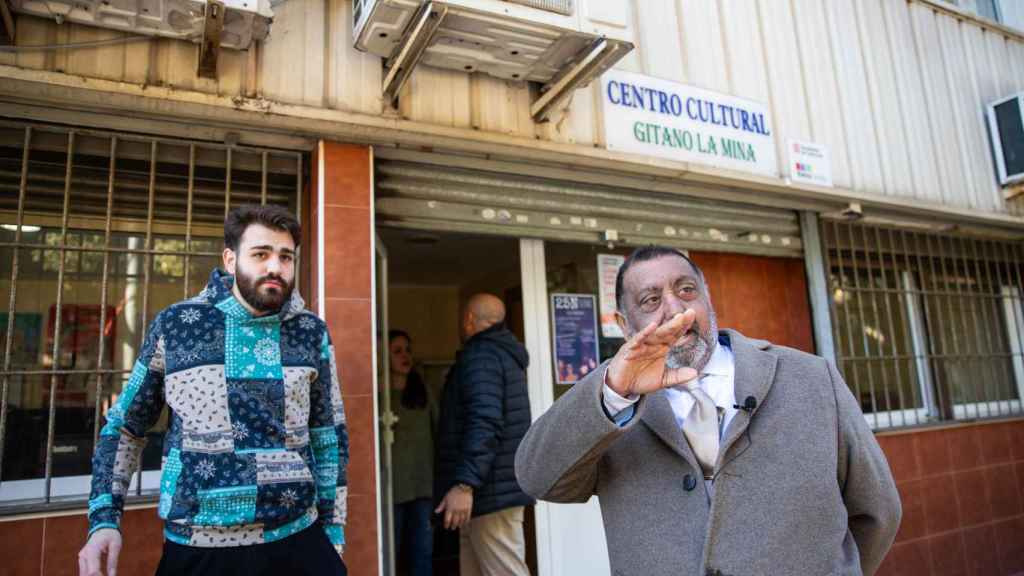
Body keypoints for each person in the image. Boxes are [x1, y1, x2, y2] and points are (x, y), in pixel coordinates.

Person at [515, 246, 901, 576]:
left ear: (708, 298)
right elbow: (538, 478)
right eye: (650, 300)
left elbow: (877, 510)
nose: (675, 309)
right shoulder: (610, 400)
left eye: (687, 290)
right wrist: (615, 392)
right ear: (623, 324)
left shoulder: (811, 377)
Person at [79, 205, 349, 576]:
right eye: (260, 254)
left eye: (286, 257)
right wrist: (104, 519)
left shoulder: (311, 332)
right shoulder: (176, 326)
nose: (275, 267)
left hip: (298, 540)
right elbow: (125, 428)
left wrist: (333, 529)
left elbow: (328, 436)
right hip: (199, 548)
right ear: (229, 258)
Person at [434, 293, 534, 576]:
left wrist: (464, 484)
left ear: (468, 320)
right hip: (490, 491)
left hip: (489, 493)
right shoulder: (501, 354)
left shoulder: (482, 356)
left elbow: (485, 422)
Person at [387, 330, 435, 576]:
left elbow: (439, 432)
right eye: (397, 351)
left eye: (408, 350)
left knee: (422, 551)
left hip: (422, 486)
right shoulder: (380, 395)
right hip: (391, 489)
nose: (405, 356)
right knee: (391, 552)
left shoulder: (422, 391)